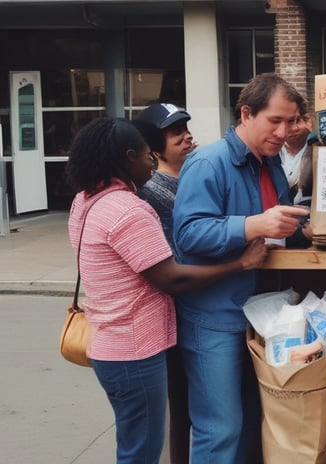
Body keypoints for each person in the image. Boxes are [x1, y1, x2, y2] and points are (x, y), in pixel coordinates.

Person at [64, 117, 268, 464]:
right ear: (129, 156)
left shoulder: (85, 200)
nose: (152, 164)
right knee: (141, 449)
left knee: (135, 442)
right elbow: (172, 278)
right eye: (147, 156)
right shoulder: (128, 209)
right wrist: (240, 265)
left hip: (109, 345)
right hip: (134, 351)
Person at [172, 73, 312, 464]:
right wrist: (253, 224)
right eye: (275, 121)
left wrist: (308, 229)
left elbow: (280, 227)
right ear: (246, 113)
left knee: (252, 418)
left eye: (292, 121)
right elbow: (188, 234)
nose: (285, 131)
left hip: (262, 314)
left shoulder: (267, 164)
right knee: (220, 427)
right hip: (214, 317)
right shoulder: (208, 161)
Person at [133, 102, 196, 464]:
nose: (187, 137)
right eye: (176, 134)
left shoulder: (197, 176)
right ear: (155, 149)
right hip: (176, 309)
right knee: (181, 402)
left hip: (198, 301)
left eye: (186, 129)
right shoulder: (152, 194)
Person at [279, 106, 314, 208]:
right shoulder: (270, 151)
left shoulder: (317, 150)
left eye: (300, 120)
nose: (295, 128)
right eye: (290, 121)